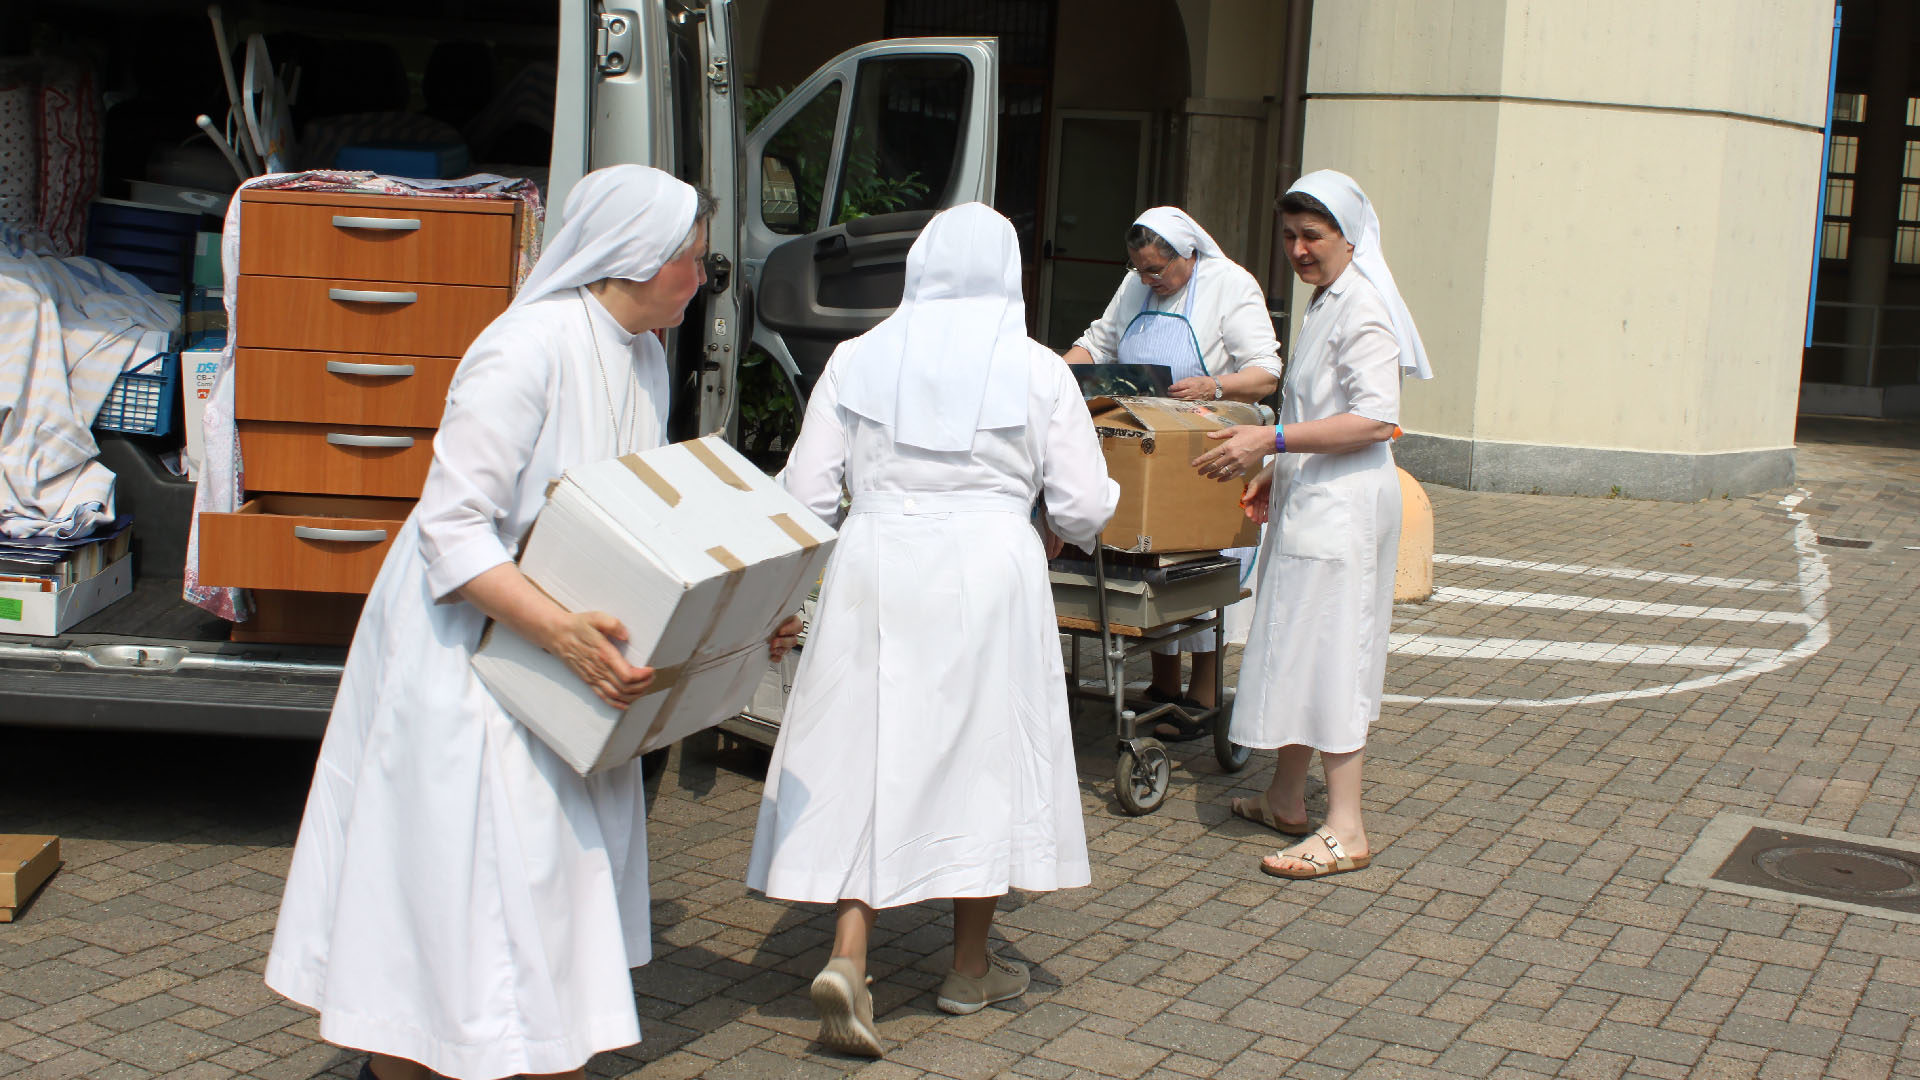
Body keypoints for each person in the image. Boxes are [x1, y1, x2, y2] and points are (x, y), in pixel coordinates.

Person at [264, 165, 802, 1080]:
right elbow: (451, 528)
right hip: (471, 647)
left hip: (561, 658)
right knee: (458, 886)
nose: (703, 281)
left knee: (544, 885)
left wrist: (742, 616)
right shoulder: (524, 349)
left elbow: (633, 520)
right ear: (635, 258)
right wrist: (555, 630)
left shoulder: (638, 351)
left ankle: (516, 1048)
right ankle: (408, 1059)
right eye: (695, 262)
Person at [747, 202, 1118, 1057]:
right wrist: (1070, 517)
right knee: (980, 752)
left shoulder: (857, 358)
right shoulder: (1036, 370)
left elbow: (803, 493)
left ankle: (849, 953)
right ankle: (968, 967)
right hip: (991, 564)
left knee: (864, 748)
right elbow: (1082, 506)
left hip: (878, 558)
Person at [1191, 169, 1432, 880]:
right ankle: (1287, 797)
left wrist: (1271, 444)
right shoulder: (1329, 299)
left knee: (1335, 652)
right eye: (1290, 235)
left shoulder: (1363, 308)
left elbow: (1377, 417)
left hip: (1346, 508)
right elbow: (1314, 408)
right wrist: (1277, 471)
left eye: (1313, 236)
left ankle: (1346, 827)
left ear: (1349, 237)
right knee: (1298, 639)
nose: (1298, 250)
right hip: (1316, 498)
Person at [1063, 207, 1281, 734]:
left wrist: (1215, 386)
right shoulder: (1134, 285)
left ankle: (1203, 692)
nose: (1147, 280)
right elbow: (1098, 341)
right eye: (1140, 269)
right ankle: (1163, 682)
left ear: (1188, 255)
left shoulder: (1231, 286)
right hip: (1146, 438)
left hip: (1211, 441)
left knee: (1201, 568)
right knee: (1150, 561)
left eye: (1158, 270)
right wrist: (1054, 371)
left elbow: (1266, 372)